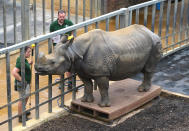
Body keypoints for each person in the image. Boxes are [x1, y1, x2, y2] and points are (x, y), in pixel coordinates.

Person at [50, 10, 74, 90]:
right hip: (58, 48)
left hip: (67, 47)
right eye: (60, 17)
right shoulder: (53, 25)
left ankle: (70, 82)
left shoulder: (69, 23)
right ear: (58, 16)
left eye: (63, 17)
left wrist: (71, 37)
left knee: (68, 66)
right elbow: (51, 37)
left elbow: (73, 31)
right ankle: (61, 82)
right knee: (60, 65)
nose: (62, 18)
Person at [12, 46, 33, 122]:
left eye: (30, 52)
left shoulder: (24, 59)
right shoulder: (21, 61)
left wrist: (29, 63)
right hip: (22, 84)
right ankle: (20, 117)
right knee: (22, 99)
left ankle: (23, 111)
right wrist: (22, 80)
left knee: (26, 97)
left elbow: (23, 66)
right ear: (23, 52)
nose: (30, 53)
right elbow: (14, 72)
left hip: (26, 83)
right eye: (28, 52)